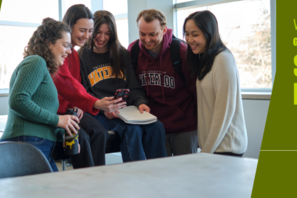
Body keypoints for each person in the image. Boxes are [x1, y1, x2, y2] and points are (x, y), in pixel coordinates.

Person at [79, 10, 167, 162]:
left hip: (126, 110)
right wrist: (102, 107)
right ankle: (136, 177)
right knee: (131, 130)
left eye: (107, 33)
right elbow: (84, 92)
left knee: (156, 127)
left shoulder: (122, 54)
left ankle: (159, 174)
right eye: (98, 32)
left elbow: (134, 87)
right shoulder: (82, 56)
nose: (102, 37)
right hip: (100, 112)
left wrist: (141, 103)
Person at [1, 18, 80, 171]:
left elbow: (39, 117)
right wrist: (57, 120)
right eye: (65, 45)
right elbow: (18, 100)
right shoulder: (36, 62)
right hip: (28, 142)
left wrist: (60, 133)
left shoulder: (41, 68)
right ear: (49, 43)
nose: (69, 51)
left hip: (36, 143)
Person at [52, 4, 126, 168]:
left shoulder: (75, 54)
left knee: (99, 131)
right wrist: (94, 103)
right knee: (83, 138)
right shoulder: (59, 51)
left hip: (72, 110)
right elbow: (65, 83)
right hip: (56, 111)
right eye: (82, 30)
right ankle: (86, 181)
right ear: (70, 27)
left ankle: (98, 177)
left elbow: (77, 85)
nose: (87, 35)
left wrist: (79, 106)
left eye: (90, 30)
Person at [128, 9, 198, 156]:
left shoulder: (181, 51)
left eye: (153, 34)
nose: (147, 39)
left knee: (186, 174)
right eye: (142, 34)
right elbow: (132, 87)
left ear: (164, 30)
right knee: (159, 175)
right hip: (153, 126)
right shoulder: (133, 51)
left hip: (184, 127)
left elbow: (196, 91)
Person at [183, 10, 248, 157]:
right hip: (214, 148)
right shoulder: (204, 60)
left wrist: (206, 152)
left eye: (195, 34)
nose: (189, 39)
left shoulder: (223, 59)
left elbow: (223, 113)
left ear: (209, 33)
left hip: (226, 148)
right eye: (187, 34)